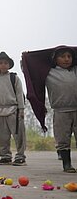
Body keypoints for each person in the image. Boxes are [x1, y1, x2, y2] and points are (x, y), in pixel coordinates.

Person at [22, 45, 77, 173]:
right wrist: (26, 58)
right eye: (62, 56)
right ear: (55, 59)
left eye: (69, 56)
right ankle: (67, 164)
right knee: (63, 139)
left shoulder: (75, 70)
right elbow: (31, 69)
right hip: (60, 111)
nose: (66, 59)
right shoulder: (49, 73)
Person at [0, 52, 27, 166]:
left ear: (9, 65)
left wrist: (21, 109)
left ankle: (20, 156)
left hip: (13, 110)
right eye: (0, 63)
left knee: (18, 135)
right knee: (1, 137)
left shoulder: (14, 78)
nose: (3, 65)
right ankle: (5, 156)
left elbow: (20, 94)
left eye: (5, 63)